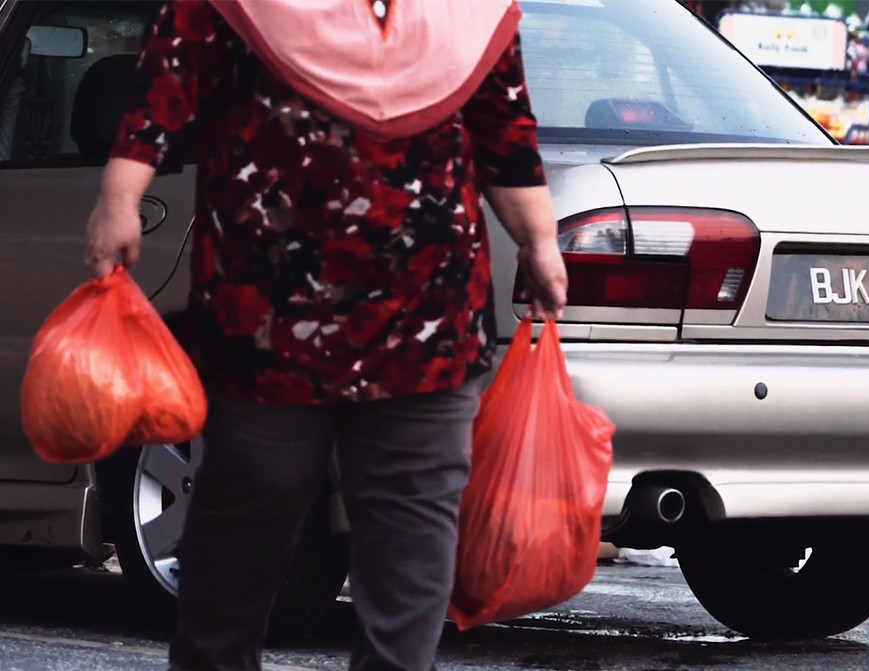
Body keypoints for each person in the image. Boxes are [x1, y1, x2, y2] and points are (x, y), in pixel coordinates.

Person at [83, 1, 567, 670]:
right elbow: (167, 85)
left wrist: (539, 240)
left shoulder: (467, 7)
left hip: (426, 312)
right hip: (269, 311)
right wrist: (118, 198)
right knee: (249, 505)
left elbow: (502, 127)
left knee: (413, 527)